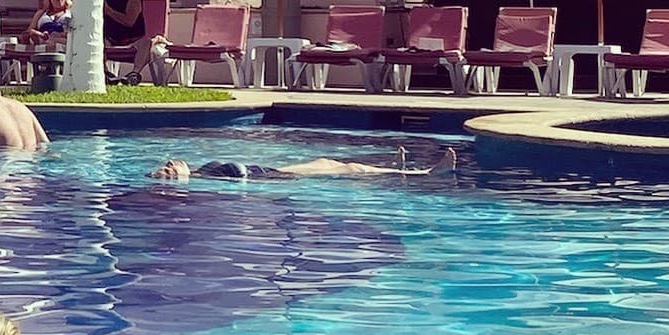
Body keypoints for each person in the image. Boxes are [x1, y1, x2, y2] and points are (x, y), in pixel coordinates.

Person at [150, 147, 460, 182]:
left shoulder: (205, 171)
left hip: (275, 171)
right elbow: (243, 176)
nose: (172, 162)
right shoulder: (210, 179)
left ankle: (392, 164)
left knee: (330, 161)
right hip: (276, 177)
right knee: (349, 170)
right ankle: (423, 172)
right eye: (170, 167)